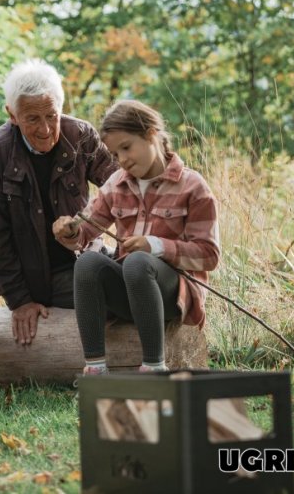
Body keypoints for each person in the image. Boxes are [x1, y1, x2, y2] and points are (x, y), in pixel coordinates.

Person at [53, 100, 220, 374]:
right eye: (115, 154)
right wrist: (70, 231)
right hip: (129, 294)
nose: (122, 160)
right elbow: (86, 230)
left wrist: (154, 245)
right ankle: (95, 369)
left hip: (173, 296)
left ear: (151, 133)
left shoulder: (193, 186)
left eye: (127, 147)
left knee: (138, 261)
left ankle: (154, 366)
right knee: (87, 263)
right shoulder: (116, 184)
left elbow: (209, 256)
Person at [0, 59, 117, 345]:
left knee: (144, 276)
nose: (45, 129)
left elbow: (122, 185)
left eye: (52, 116)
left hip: (88, 255)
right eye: (32, 119)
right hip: (44, 277)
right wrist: (20, 300)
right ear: (12, 115)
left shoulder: (80, 135)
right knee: (118, 295)